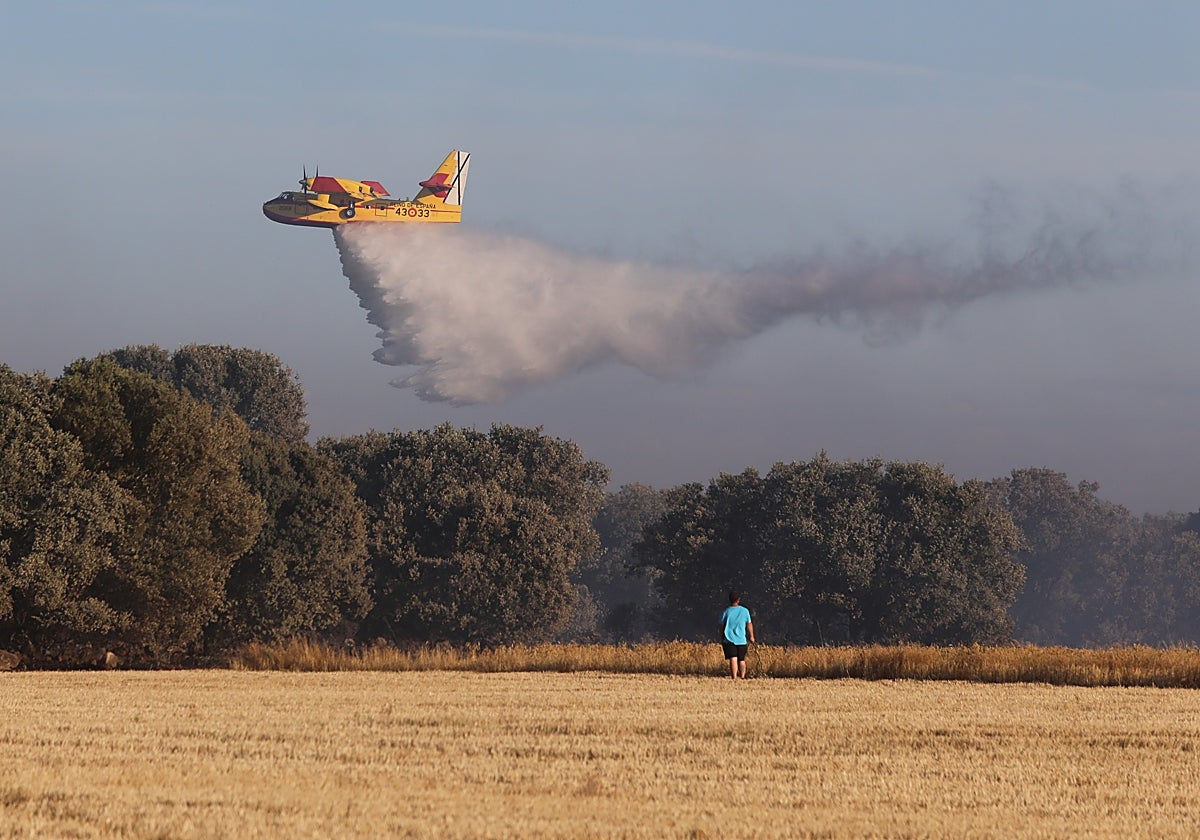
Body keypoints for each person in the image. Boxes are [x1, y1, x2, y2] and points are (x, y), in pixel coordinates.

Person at [719, 591, 755, 679]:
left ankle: (734, 677)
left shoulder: (726, 611)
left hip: (729, 638)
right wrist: (751, 636)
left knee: (733, 658)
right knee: (741, 659)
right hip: (742, 639)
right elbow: (749, 624)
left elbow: (721, 626)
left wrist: (722, 636)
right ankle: (742, 676)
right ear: (738, 599)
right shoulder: (745, 611)